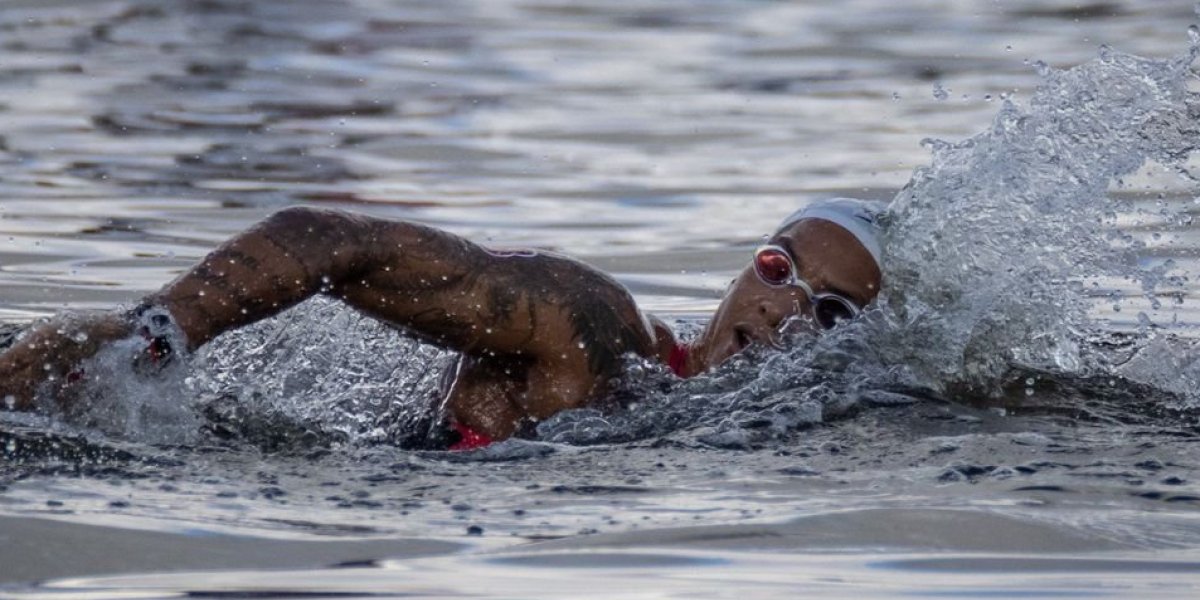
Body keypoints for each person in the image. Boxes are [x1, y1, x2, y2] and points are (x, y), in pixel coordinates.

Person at [0, 199, 884, 449]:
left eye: (833, 312)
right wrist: (157, 337)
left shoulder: (763, 436)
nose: (786, 312)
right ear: (747, 264)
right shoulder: (591, 327)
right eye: (780, 269)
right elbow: (328, 237)